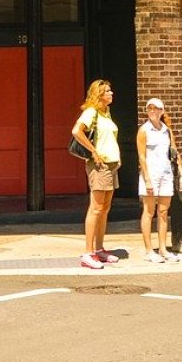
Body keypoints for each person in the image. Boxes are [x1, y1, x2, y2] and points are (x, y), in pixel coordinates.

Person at [71, 79, 121, 269]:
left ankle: (99, 249)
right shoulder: (91, 112)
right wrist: (93, 151)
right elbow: (76, 131)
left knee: (106, 207)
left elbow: (109, 139)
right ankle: (88, 252)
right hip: (99, 165)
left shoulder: (106, 113)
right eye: (108, 91)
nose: (111, 93)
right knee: (96, 207)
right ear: (99, 94)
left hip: (111, 164)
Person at [137, 97, 182, 263]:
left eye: (156, 108)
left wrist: (181, 172)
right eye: (149, 108)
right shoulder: (144, 131)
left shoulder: (167, 130)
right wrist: (147, 179)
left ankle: (163, 249)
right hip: (151, 174)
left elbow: (174, 152)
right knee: (149, 211)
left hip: (166, 173)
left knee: (164, 212)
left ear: (161, 111)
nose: (152, 111)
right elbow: (142, 157)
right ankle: (149, 250)